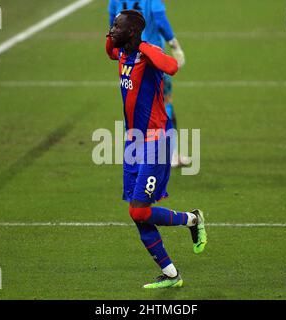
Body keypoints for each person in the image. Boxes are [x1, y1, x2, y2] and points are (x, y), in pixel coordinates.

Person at [106, 10, 207, 289]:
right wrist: (113, 34)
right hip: (132, 142)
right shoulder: (123, 54)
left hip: (155, 141)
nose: (112, 29)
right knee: (136, 212)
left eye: (117, 26)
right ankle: (172, 274)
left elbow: (172, 67)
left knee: (139, 212)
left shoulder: (145, 51)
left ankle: (192, 219)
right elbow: (108, 50)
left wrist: (144, 46)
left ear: (132, 32)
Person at [108, 0, 189, 167]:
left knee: (133, 103)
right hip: (151, 59)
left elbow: (112, 24)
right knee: (163, 103)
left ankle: (134, 153)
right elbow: (159, 19)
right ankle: (170, 154)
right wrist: (174, 44)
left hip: (127, 60)